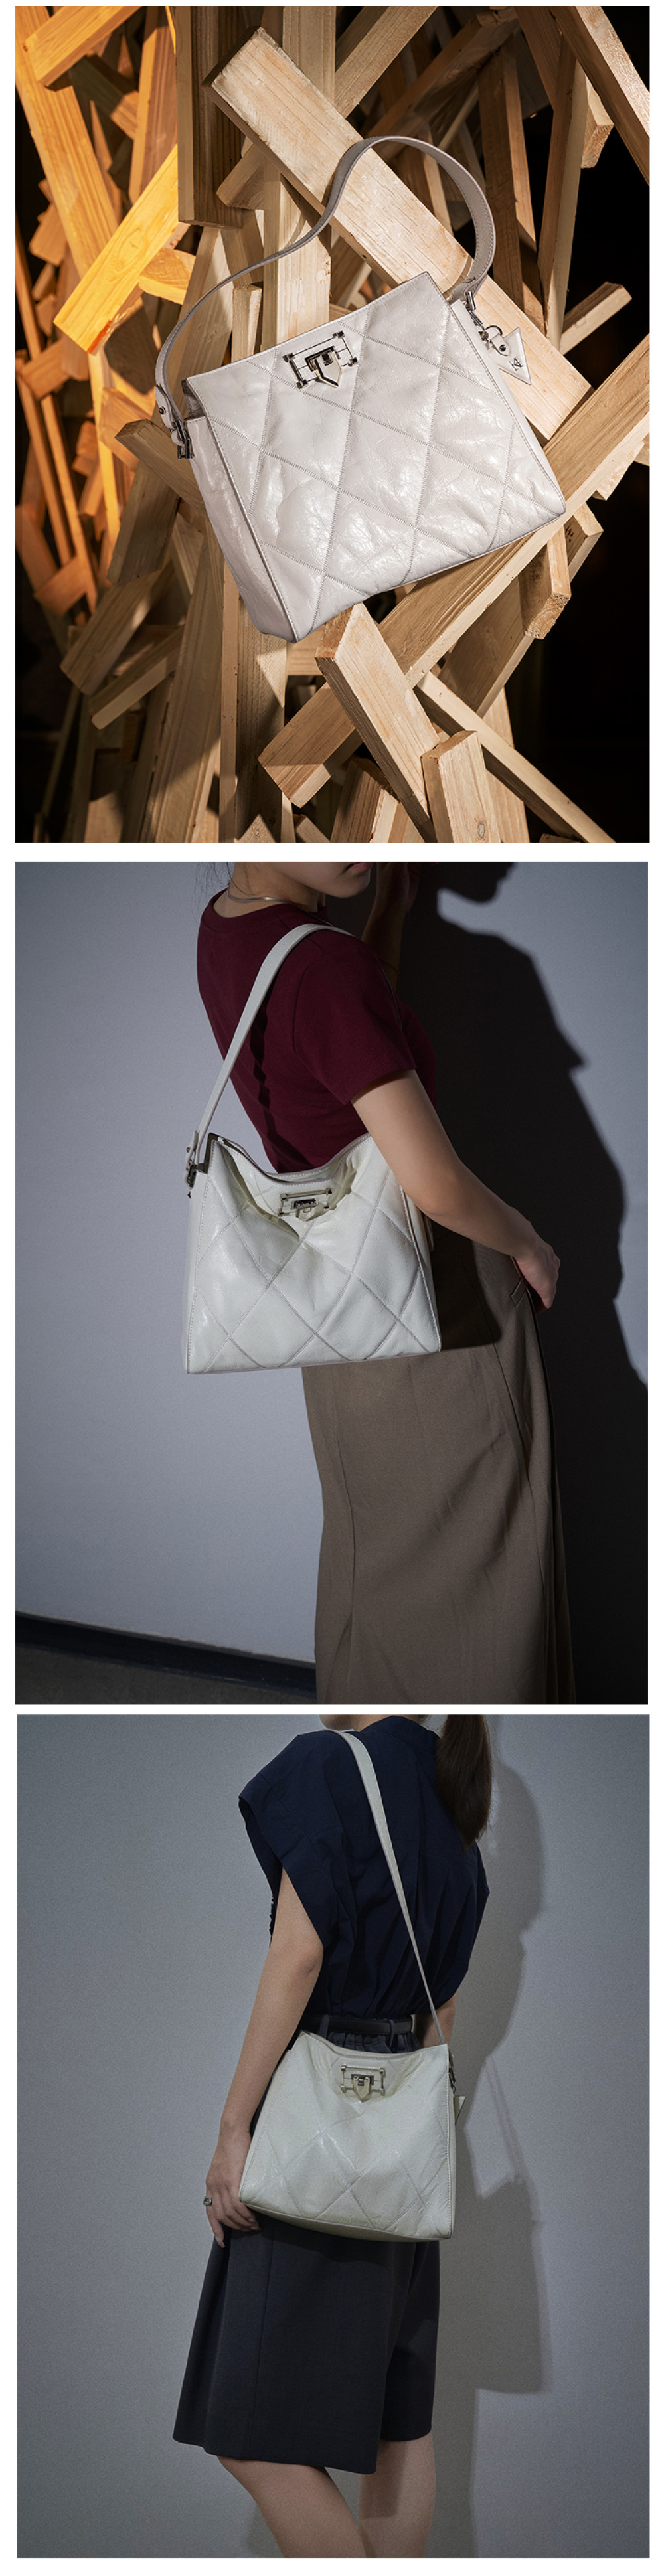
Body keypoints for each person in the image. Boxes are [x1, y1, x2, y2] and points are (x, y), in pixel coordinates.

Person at [195, 859, 574, 1703]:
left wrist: (388, 919)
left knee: (373, 1560)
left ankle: (362, 1733)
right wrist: (528, 1245)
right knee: (483, 1569)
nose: (364, 838)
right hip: (437, 1299)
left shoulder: (225, 928)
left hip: (336, 1311)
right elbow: (431, 1184)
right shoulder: (325, 966)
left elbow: (336, 1057)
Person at [173, 1709, 491, 2557]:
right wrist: (403, 2133)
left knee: (251, 2433)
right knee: (398, 2425)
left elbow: (298, 1956)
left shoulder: (324, 1767)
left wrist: (233, 2127)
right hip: (401, 2150)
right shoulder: (454, 1796)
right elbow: (441, 2012)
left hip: (312, 2136)